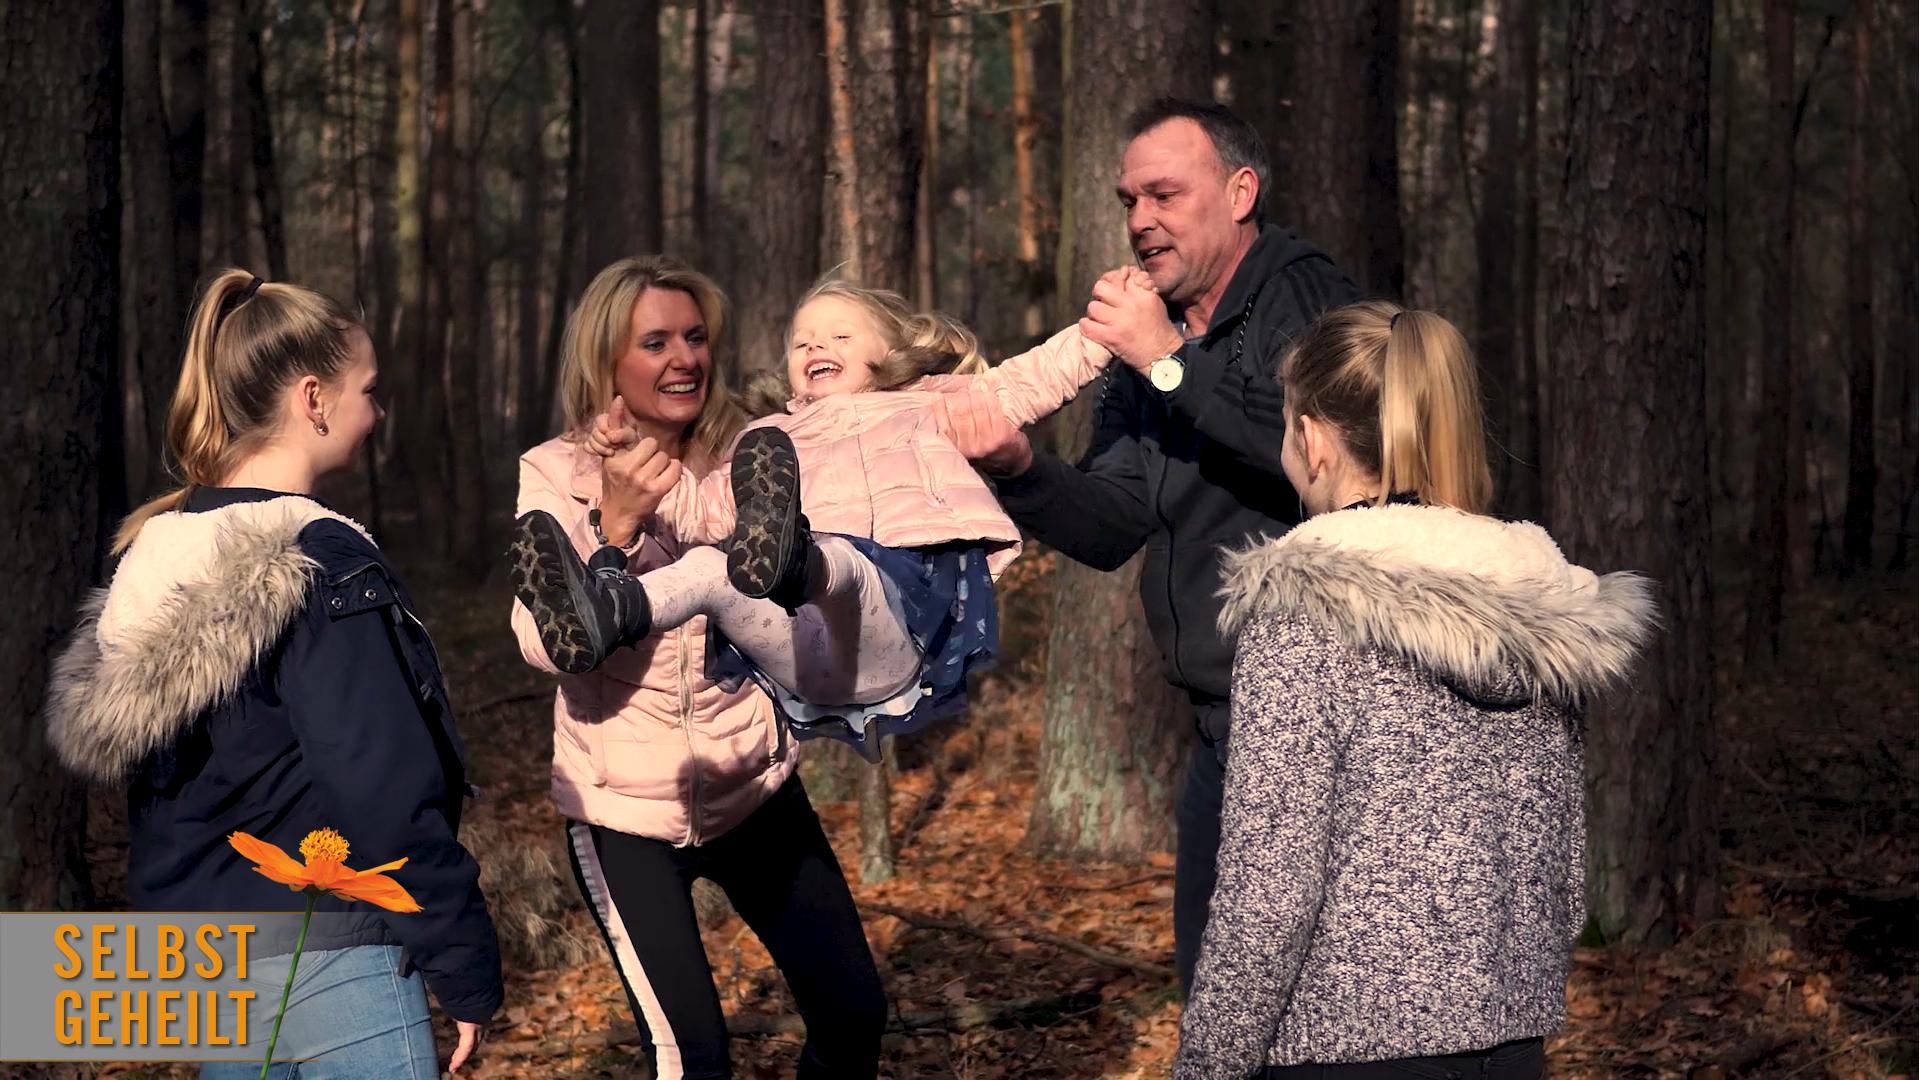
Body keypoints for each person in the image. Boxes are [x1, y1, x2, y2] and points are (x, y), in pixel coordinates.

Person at [933, 97, 1364, 992]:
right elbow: (1113, 523)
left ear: (1240, 193)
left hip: (1320, 720)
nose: (1140, 221)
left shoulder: (1304, 297)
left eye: (1165, 195)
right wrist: (1018, 468)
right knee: (1214, 993)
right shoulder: (1150, 337)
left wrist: (1167, 360)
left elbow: (1330, 456)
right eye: (1129, 200)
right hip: (1218, 724)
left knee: (1308, 998)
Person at [1173, 302, 1656, 1079]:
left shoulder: (1302, 610)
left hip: (1343, 1047)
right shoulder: (1542, 602)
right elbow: (1564, 871)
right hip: (1509, 1044)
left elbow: (1270, 893)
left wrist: (1208, 1066)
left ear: (1313, 439)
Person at [45, 269, 502, 1077]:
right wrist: (461, 956)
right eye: (370, 390)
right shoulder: (317, 559)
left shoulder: (153, 560)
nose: (378, 412)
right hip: (334, 952)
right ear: (313, 398)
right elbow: (379, 786)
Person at [508, 256, 886, 1080]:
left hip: (755, 788)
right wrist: (613, 526)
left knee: (855, 1014)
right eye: (656, 343)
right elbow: (539, 642)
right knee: (694, 1061)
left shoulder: (752, 454)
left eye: (695, 337)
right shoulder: (556, 471)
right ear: (607, 359)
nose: (685, 358)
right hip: (623, 813)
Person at [511, 276, 1136, 759]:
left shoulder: (931, 404)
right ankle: (609, 610)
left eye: (840, 337)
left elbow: (1034, 377)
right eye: (803, 342)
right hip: (802, 656)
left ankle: (795, 560)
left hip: (893, 630)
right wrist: (630, 464)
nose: (816, 347)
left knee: (843, 562)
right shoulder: (767, 439)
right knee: (706, 566)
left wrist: (1108, 327)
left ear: (892, 352)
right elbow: (700, 512)